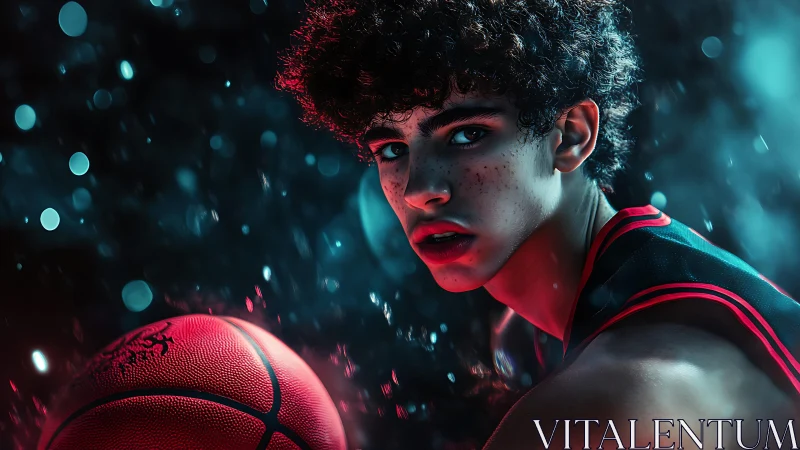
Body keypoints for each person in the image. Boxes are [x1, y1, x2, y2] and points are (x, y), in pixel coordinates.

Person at [277, 0, 800, 447]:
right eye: (392, 149)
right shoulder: (597, 296)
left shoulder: (602, 398)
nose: (418, 189)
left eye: (465, 135)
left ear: (570, 136)